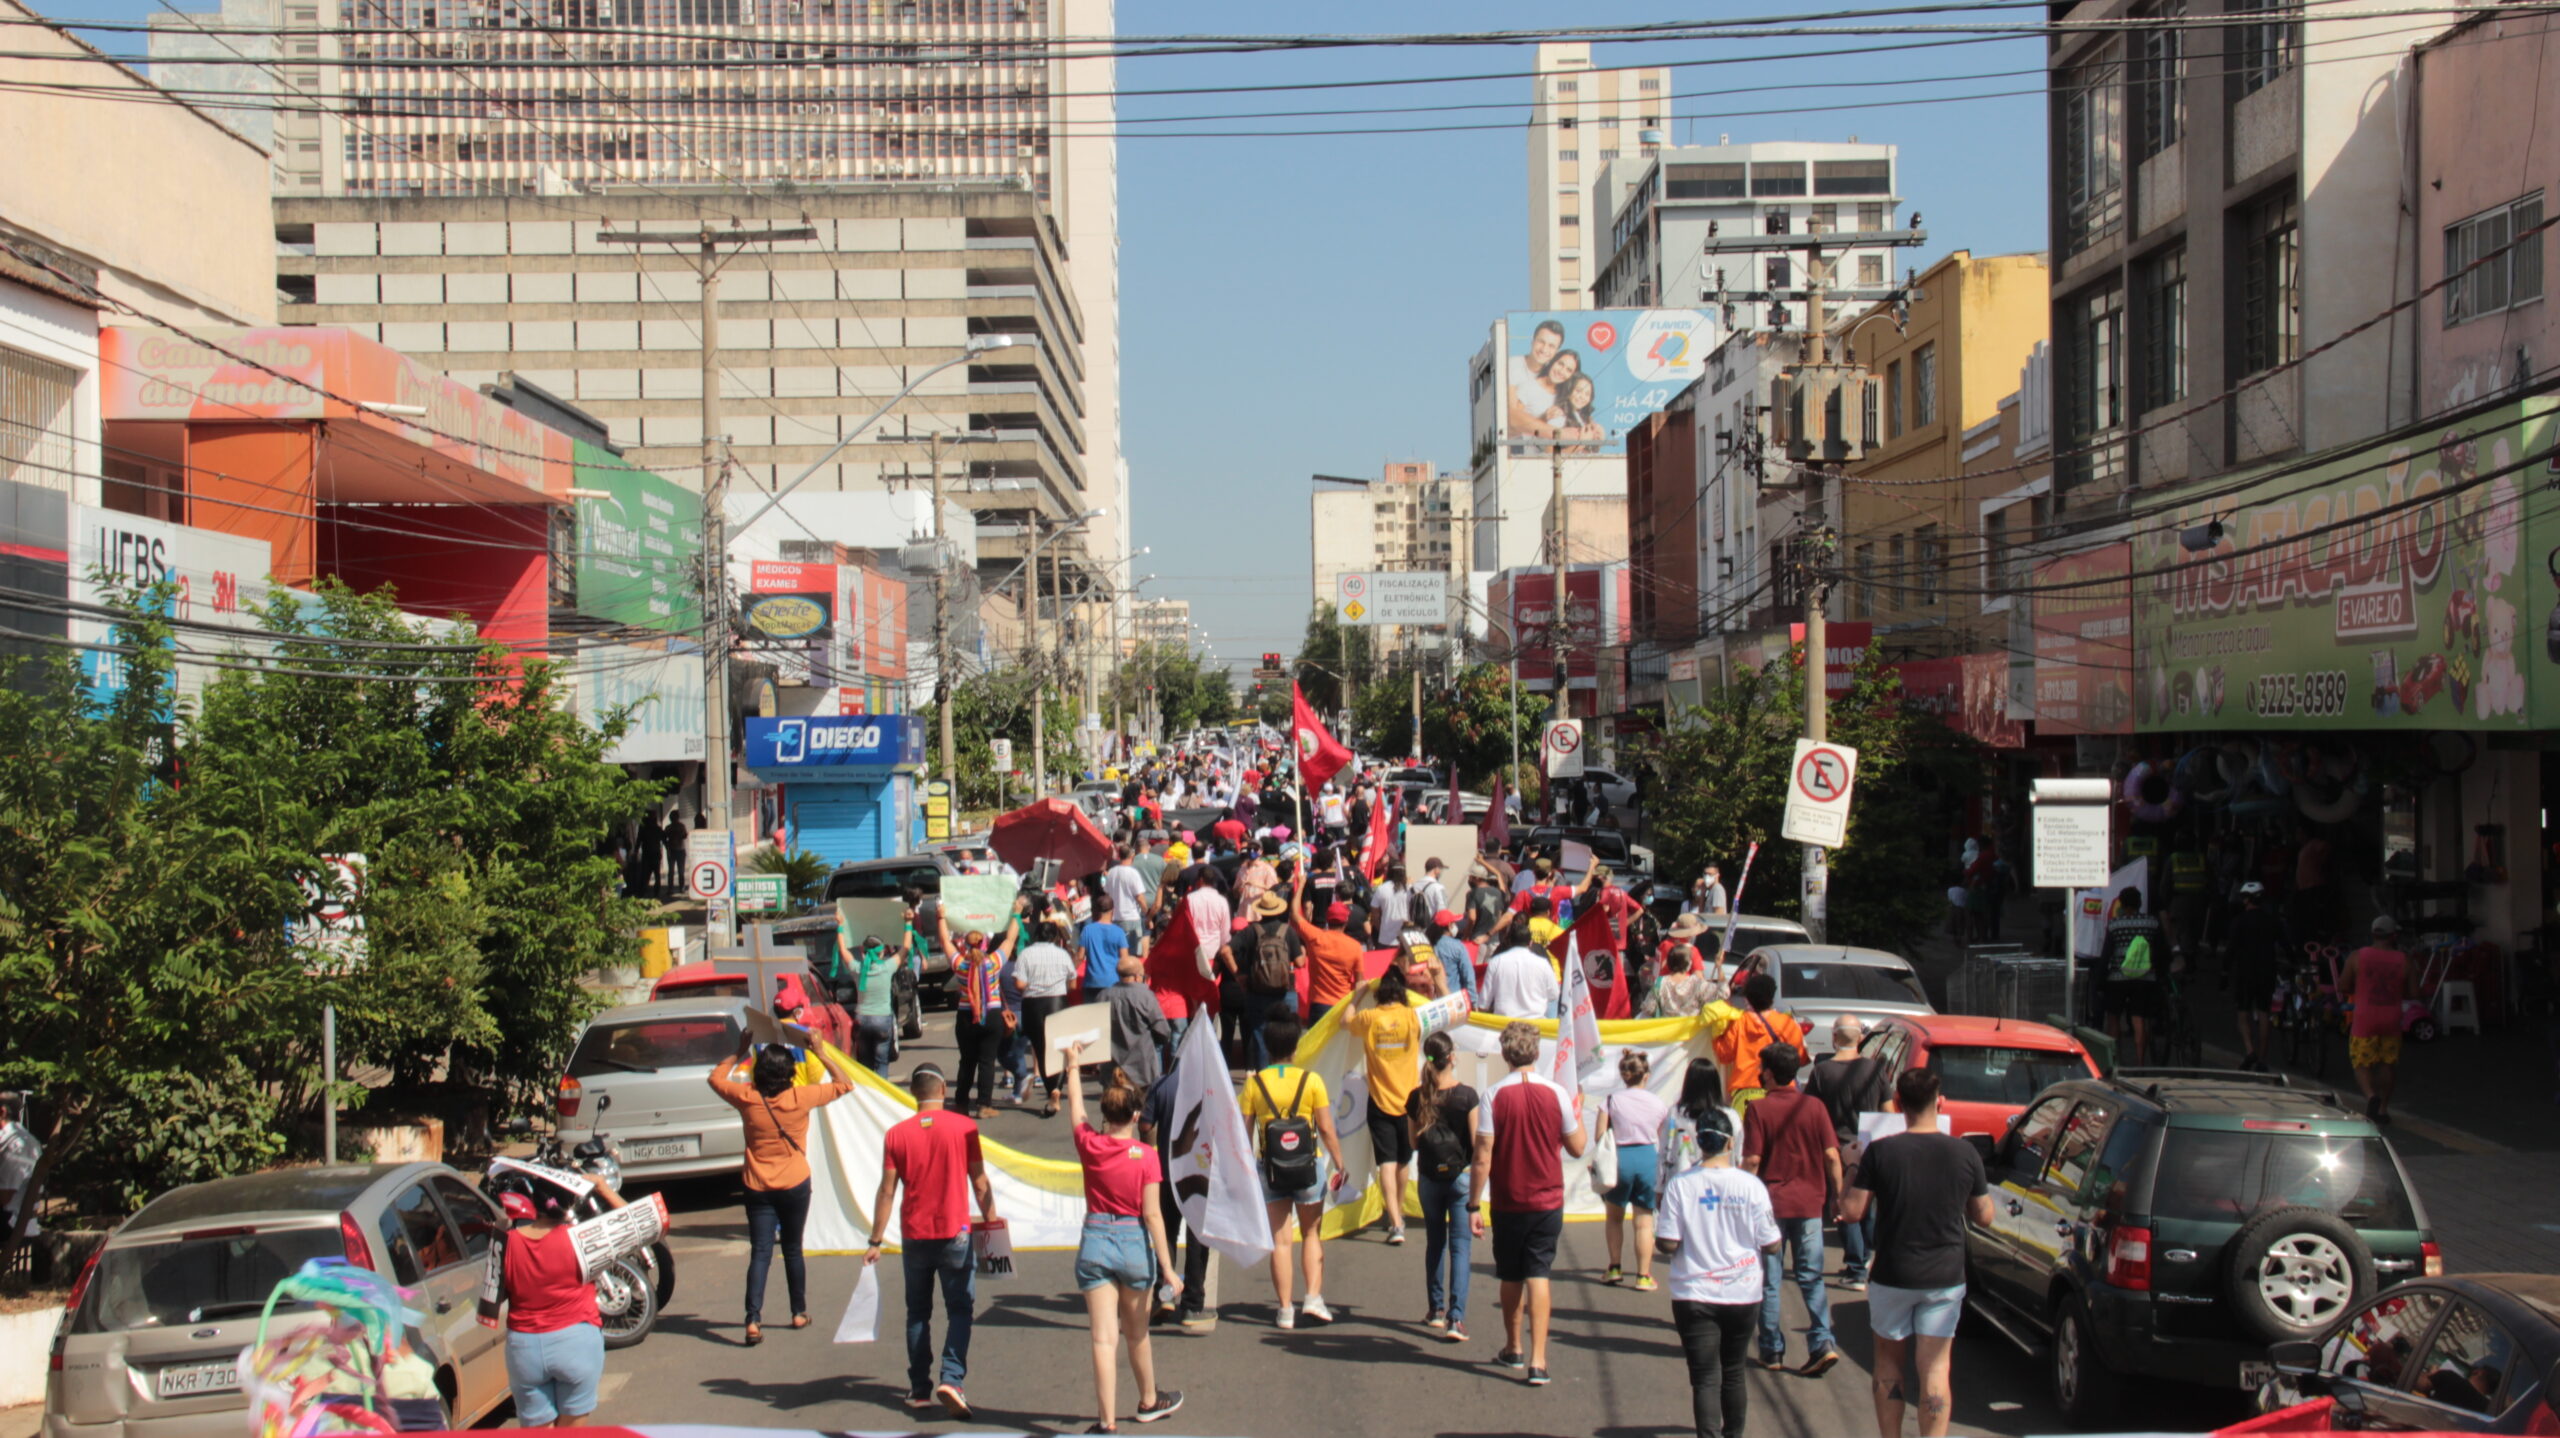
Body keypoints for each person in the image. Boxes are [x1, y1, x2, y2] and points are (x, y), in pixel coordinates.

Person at [1840, 1068, 1995, 1438]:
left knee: (1888, 1364)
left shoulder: (1881, 1152)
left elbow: (1851, 1212)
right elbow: (1985, 1216)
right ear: (1940, 1102)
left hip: (1893, 1272)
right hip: (1945, 1275)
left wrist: (1851, 1165)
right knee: (1936, 1368)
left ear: (1898, 1104)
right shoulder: (1965, 1153)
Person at [1062, 1043, 1186, 1432]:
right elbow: (1152, 1215)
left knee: (1103, 1339)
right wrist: (1168, 1269)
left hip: (1096, 1238)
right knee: (1137, 1334)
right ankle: (1149, 1399)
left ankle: (1106, 1422)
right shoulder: (1146, 1157)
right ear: (1135, 1115)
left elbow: (1076, 1110)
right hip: (1134, 1243)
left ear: (1105, 1114)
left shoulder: (1090, 1145)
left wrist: (1072, 1066)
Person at [867, 1065, 999, 1419]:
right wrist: (992, 1224)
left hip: (915, 1234)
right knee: (960, 1309)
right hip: (955, 1234)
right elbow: (980, 1182)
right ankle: (952, 1379)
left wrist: (875, 1240)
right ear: (943, 1090)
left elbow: (886, 1190)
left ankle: (919, 1387)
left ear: (914, 1092)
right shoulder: (964, 1128)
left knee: (917, 1313)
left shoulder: (896, 1135)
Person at [706, 1035, 858, 1342]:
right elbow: (845, 1084)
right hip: (795, 1182)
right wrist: (821, 1053)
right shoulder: (801, 1097)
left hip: (757, 1184)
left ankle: (752, 1319)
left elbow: (715, 1078)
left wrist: (738, 1050)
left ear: (759, 1072)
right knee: (792, 1249)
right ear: (789, 1073)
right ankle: (798, 1312)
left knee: (760, 1252)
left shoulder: (747, 1097)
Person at [1472, 1019, 1588, 1387]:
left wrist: (1473, 1203)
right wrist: (1578, 1112)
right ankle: (1539, 1360)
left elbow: (1483, 1154)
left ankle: (1514, 1346)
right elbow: (1578, 1146)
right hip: (1547, 1198)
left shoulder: (1494, 1095)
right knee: (1539, 1273)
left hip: (1508, 1199)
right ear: (1536, 1053)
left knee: (1510, 1273)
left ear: (1505, 1053)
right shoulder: (1557, 1094)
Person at [1655, 1107, 1781, 1438]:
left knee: (1705, 1377)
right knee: (1734, 1370)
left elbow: (1667, 1243)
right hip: (1743, 1292)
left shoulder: (1681, 1185)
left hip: (1693, 1292)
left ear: (1699, 1142)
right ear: (1731, 1143)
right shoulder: (1751, 1186)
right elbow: (1771, 1244)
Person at [490, 1172, 630, 1428]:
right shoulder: (583, 1239)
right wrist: (602, 1187)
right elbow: (636, 1221)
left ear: (534, 1202)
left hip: (525, 1349)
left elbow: (493, 1296)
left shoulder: (507, 1242)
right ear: (569, 1203)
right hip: (577, 1343)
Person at [1240, 1011, 1348, 1327]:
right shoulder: (1311, 1081)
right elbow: (1325, 1128)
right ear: (1296, 1047)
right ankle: (1312, 1297)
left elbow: (1243, 1132)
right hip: (1308, 1167)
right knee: (1312, 1233)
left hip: (1270, 1169)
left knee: (1280, 1240)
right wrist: (1339, 1162)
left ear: (1267, 1047)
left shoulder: (1254, 1084)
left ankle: (1285, 1309)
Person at [1740, 1043, 1841, 1375]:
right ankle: (1822, 1342)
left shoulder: (1758, 1109)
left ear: (1768, 1073)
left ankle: (1772, 1350)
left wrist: (1740, 1197)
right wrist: (1837, 1195)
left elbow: (1752, 1160)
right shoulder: (1814, 1107)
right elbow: (1831, 1156)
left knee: (1769, 1280)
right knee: (1811, 1276)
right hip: (1810, 1204)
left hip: (1771, 1205)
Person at [1803, 1017, 1889, 1289]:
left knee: (1843, 1202)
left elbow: (1810, 1113)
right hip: (1870, 1147)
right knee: (1868, 1205)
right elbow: (1889, 1113)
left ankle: (1856, 1269)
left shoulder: (1821, 1072)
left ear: (1834, 1038)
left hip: (1837, 1148)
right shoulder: (1876, 1070)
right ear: (1860, 1039)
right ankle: (1865, 1259)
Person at [1344, 961, 1424, 1244]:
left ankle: (1395, 1220)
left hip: (1379, 1101)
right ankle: (1396, 1214)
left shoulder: (1370, 1018)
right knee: (1403, 1161)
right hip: (1409, 1103)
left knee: (1386, 1163)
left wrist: (1357, 994)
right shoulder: (1413, 1017)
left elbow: (1344, 1021)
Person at [1408, 1032, 1479, 1343]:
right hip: (1460, 1177)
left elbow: (1413, 1143)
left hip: (1428, 1178)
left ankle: (1435, 1309)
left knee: (1435, 1243)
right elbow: (1476, 1143)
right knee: (1460, 1247)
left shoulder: (1417, 1097)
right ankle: (1456, 1318)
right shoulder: (1467, 1096)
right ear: (1452, 1057)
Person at [1598, 1050, 1672, 1292]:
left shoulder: (1611, 1100)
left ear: (1624, 1075)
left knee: (1614, 1217)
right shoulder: (1658, 1103)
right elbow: (1662, 1137)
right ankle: (1643, 1275)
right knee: (1644, 1222)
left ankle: (1614, 1267)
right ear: (1646, 1076)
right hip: (1647, 1158)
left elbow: (1600, 1136)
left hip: (1619, 1159)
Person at [940, 914, 1020, 1117]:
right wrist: (1016, 914)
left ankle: (961, 1103)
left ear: (966, 945)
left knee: (967, 1061)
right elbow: (1010, 939)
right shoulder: (993, 962)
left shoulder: (960, 964)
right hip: (991, 1015)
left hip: (966, 1017)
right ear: (984, 944)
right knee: (987, 1061)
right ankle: (984, 1105)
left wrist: (941, 918)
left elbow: (944, 941)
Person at [2344, 914, 2412, 1123]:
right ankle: (2382, 1109)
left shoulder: (2357, 956)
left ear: (2373, 934)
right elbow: (2415, 992)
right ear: (2394, 936)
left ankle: (2371, 1095)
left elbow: (2343, 985)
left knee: (2361, 1062)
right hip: (2391, 1018)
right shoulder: (2404, 959)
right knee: (2387, 1064)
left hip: (2365, 1018)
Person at [2224, 882, 2292, 1072]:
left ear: (2246, 899)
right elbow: (2285, 944)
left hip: (2245, 972)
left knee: (2243, 1012)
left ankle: (2249, 1049)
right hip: (2267, 971)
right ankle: (2262, 1058)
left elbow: (2230, 949)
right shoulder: (2272, 921)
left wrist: (2224, 971)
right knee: (2264, 1013)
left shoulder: (2239, 921)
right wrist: (2293, 961)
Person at [2099, 885, 2171, 1060]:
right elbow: (2162, 950)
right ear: (2139, 903)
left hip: (2117, 977)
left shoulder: (2114, 924)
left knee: (2114, 1017)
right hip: (2145, 977)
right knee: (2139, 1019)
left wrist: (2101, 980)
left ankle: (2116, 1061)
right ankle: (2140, 1062)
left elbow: (2106, 954)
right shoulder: (2152, 922)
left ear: (2122, 905)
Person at [1235, 889, 1303, 1070]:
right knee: (1289, 1036)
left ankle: (1265, 1077)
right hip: (1285, 991)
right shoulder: (1288, 931)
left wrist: (1239, 976)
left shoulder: (1251, 931)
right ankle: (1286, 1074)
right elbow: (1299, 962)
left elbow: (1226, 950)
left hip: (1257, 992)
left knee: (1260, 1036)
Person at [1289, 870, 1365, 1030]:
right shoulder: (1355, 947)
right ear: (1346, 921)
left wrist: (1301, 885)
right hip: (1343, 1005)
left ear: (1327, 919)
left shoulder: (1315, 937)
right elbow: (1360, 982)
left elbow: (1295, 914)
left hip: (1319, 1005)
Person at [1717, 972, 1807, 1106]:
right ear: (1772, 996)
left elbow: (1724, 1055)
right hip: (1781, 1090)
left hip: (1744, 1091)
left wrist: (1716, 1035)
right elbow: (1800, 1059)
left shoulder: (1739, 1022)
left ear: (1747, 998)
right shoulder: (1787, 1023)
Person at [1104, 952, 1174, 1091]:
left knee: (1113, 1103)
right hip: (1141, 1069)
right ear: (1137, 977)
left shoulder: (1103, 995)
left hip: (1112, 1069)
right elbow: (1162, 1031)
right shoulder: (1145, 996)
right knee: (1143, 1102)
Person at [845, 932, 905, 1073]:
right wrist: (908, 924)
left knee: (865, 1064)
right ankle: (881, 1086)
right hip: (882, 1019)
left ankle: (867, 1087)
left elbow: (843, 951)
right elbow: (906, 948)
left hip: (862, 1019)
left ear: (863, 952)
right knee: (882, 1063)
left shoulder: (857, 969)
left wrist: (840, 928)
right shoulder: (888, 967)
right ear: (882, 952)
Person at [1505, 317, 1567, 435]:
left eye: (1551, 346)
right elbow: (1512, 417)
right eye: (1541, 342)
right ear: (1533, 341)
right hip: (1514, 442)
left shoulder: (1555, 376)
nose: (1544, 349)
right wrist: (1554, 431)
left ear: (1557, 351)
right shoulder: (1512, 365)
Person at [1482, 931, 1562, 1020]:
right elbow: (1554, 994)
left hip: (1503, 1021)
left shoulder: (1496, 961)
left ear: (1510, 942)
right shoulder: (1543, 964)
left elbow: (1484, 1000)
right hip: (1535, 1022)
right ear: (1530, 943)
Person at [1104, 844, 1151, 951]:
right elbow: (1140, 898)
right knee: (1132, 953)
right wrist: (1147, 913)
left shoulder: (1111, 872)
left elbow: (1107, 894)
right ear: (1132, 856)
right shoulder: (1133, 873)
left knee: (1116, 952)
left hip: (1115, 917)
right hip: (1131, 917)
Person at [1429, 909, 1479, 1005]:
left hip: (1433, 1000)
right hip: (1454, 1001)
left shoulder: (1428, 944)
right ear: (1449, 925)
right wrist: (1473, 1001)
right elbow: (1468, 976)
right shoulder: (1458, 946)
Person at [1079, 915, 1130, 1008]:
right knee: (1111, 1014)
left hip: (1092, 981)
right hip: (1113, 981)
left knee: (1090, 1014)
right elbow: (1124, 959)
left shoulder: (1088, 929)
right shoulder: (1119, 932)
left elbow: (1080, 956)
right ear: (1112, 912)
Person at [1371, 862, 1413, 947]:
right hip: (1406, 938)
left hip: (1385, 938)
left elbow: (1374, 915)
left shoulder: (1381, 889)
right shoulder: (1409, 889)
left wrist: (1382, 929)